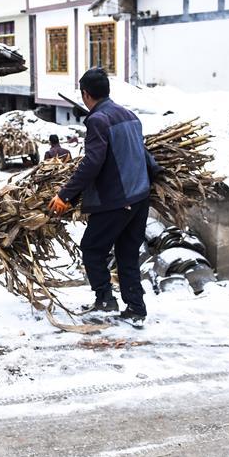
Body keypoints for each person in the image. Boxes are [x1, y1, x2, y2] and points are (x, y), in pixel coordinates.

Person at [48, 68, 160, 327]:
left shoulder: (98, 120)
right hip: (139, 196)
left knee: (91, 248)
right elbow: (140, 153)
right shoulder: (129, 115)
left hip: (117, 200)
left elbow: (92, 162)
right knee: (127, 253)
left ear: (85, 94)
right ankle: (136, 308)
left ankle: (105, 299)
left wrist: (65, 195)